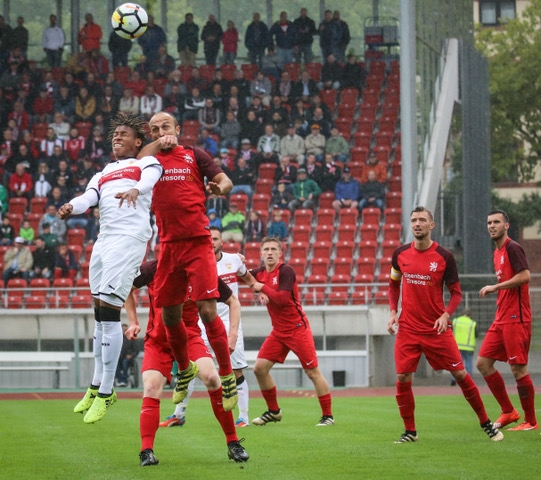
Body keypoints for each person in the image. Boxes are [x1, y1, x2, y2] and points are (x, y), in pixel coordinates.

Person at [57, 112, 163, 424]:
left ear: (138, 141)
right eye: (114, 134)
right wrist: (70, 207)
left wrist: (136, 190)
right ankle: (94, 385)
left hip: (129, 238)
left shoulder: (143, 163)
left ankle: (107, 391)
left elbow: (150, 179)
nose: (117, 138)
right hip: (104, 240)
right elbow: (89, 197)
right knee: (99, 312)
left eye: (123, 134)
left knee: (110, 311)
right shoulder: (103, 171)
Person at [141, 111, 237, 412]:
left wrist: (219, 188)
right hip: (168, 246)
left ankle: (226, 373)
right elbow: (138, 158)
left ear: (178, 129)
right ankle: (184, 369)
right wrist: (158, 144)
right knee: (169, 315)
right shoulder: (149, 160)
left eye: (165, 127)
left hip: (197, 241)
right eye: (154, 129)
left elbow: (226, 180)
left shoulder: (194, 154)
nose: (161, 132)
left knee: (207, 309)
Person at [387, 206, 503, 443]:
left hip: (436, 330)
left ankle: (485, 422)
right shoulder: (399, 254)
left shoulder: (444, 257)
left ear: (432, 225)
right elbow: (393, 283)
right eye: (413, 220)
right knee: (402, 378)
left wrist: (446, 315)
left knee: (460, 373)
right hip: (408, 329)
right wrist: (392, 311)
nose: (417, 224)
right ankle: (410, 431)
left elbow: (457, 293)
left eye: (422, 220)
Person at [124, 260, 249, 466]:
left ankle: (233, 442)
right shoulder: (153, 268)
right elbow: (126, 287)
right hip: (159, 342)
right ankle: (146, 451)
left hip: (189, 337)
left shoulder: (202, 270)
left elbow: (233, 301)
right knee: (151, 387)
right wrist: (133, 321)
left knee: (212, 378)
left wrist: (233, 333)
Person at [162, 227, 257, 428]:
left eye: (215, 239)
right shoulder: (196, 265)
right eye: (208, 239)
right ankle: (179, 414)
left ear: (222, 242)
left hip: (230, 324)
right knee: (189, 367)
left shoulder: (235, 260)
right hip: (202, 324)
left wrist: (262, 291)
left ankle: (243, 417)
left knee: (236, 371)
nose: (211, 242)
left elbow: (249, 279)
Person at [249, 237, 334, 426]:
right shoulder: (259, 272)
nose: (270, 252)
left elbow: (282, 300)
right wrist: (235, 262)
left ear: (280, 253)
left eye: (273, 249)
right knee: (259, 369)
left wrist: (262, 288)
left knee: (312, 372)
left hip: (297, 329)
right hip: (278, 332)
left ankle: (328, 416)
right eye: (266, 249)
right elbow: (242, 275)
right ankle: (274, 411)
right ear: (261, 254)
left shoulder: (286, 271)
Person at [477, 209, 538, 431]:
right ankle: (509, 411)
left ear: (506, 225)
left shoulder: (513, 247)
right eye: (489, 222)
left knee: (518, 369)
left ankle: (530, 421)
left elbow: (525, 276)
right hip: (501, 317)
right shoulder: (497, 252)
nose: (492, 226)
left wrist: (496, 287)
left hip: (516, 317)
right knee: (483, 363)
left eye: (496, 222)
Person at [450, 309, 476, 385]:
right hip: (469, 347)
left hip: (457, 346)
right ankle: (469, 379)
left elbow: (450, 330)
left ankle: (453, 379)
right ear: (470, 315)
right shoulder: (472, 323)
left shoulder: (455, 321)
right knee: (468, 363)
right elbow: (476, 334)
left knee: (457, 364)